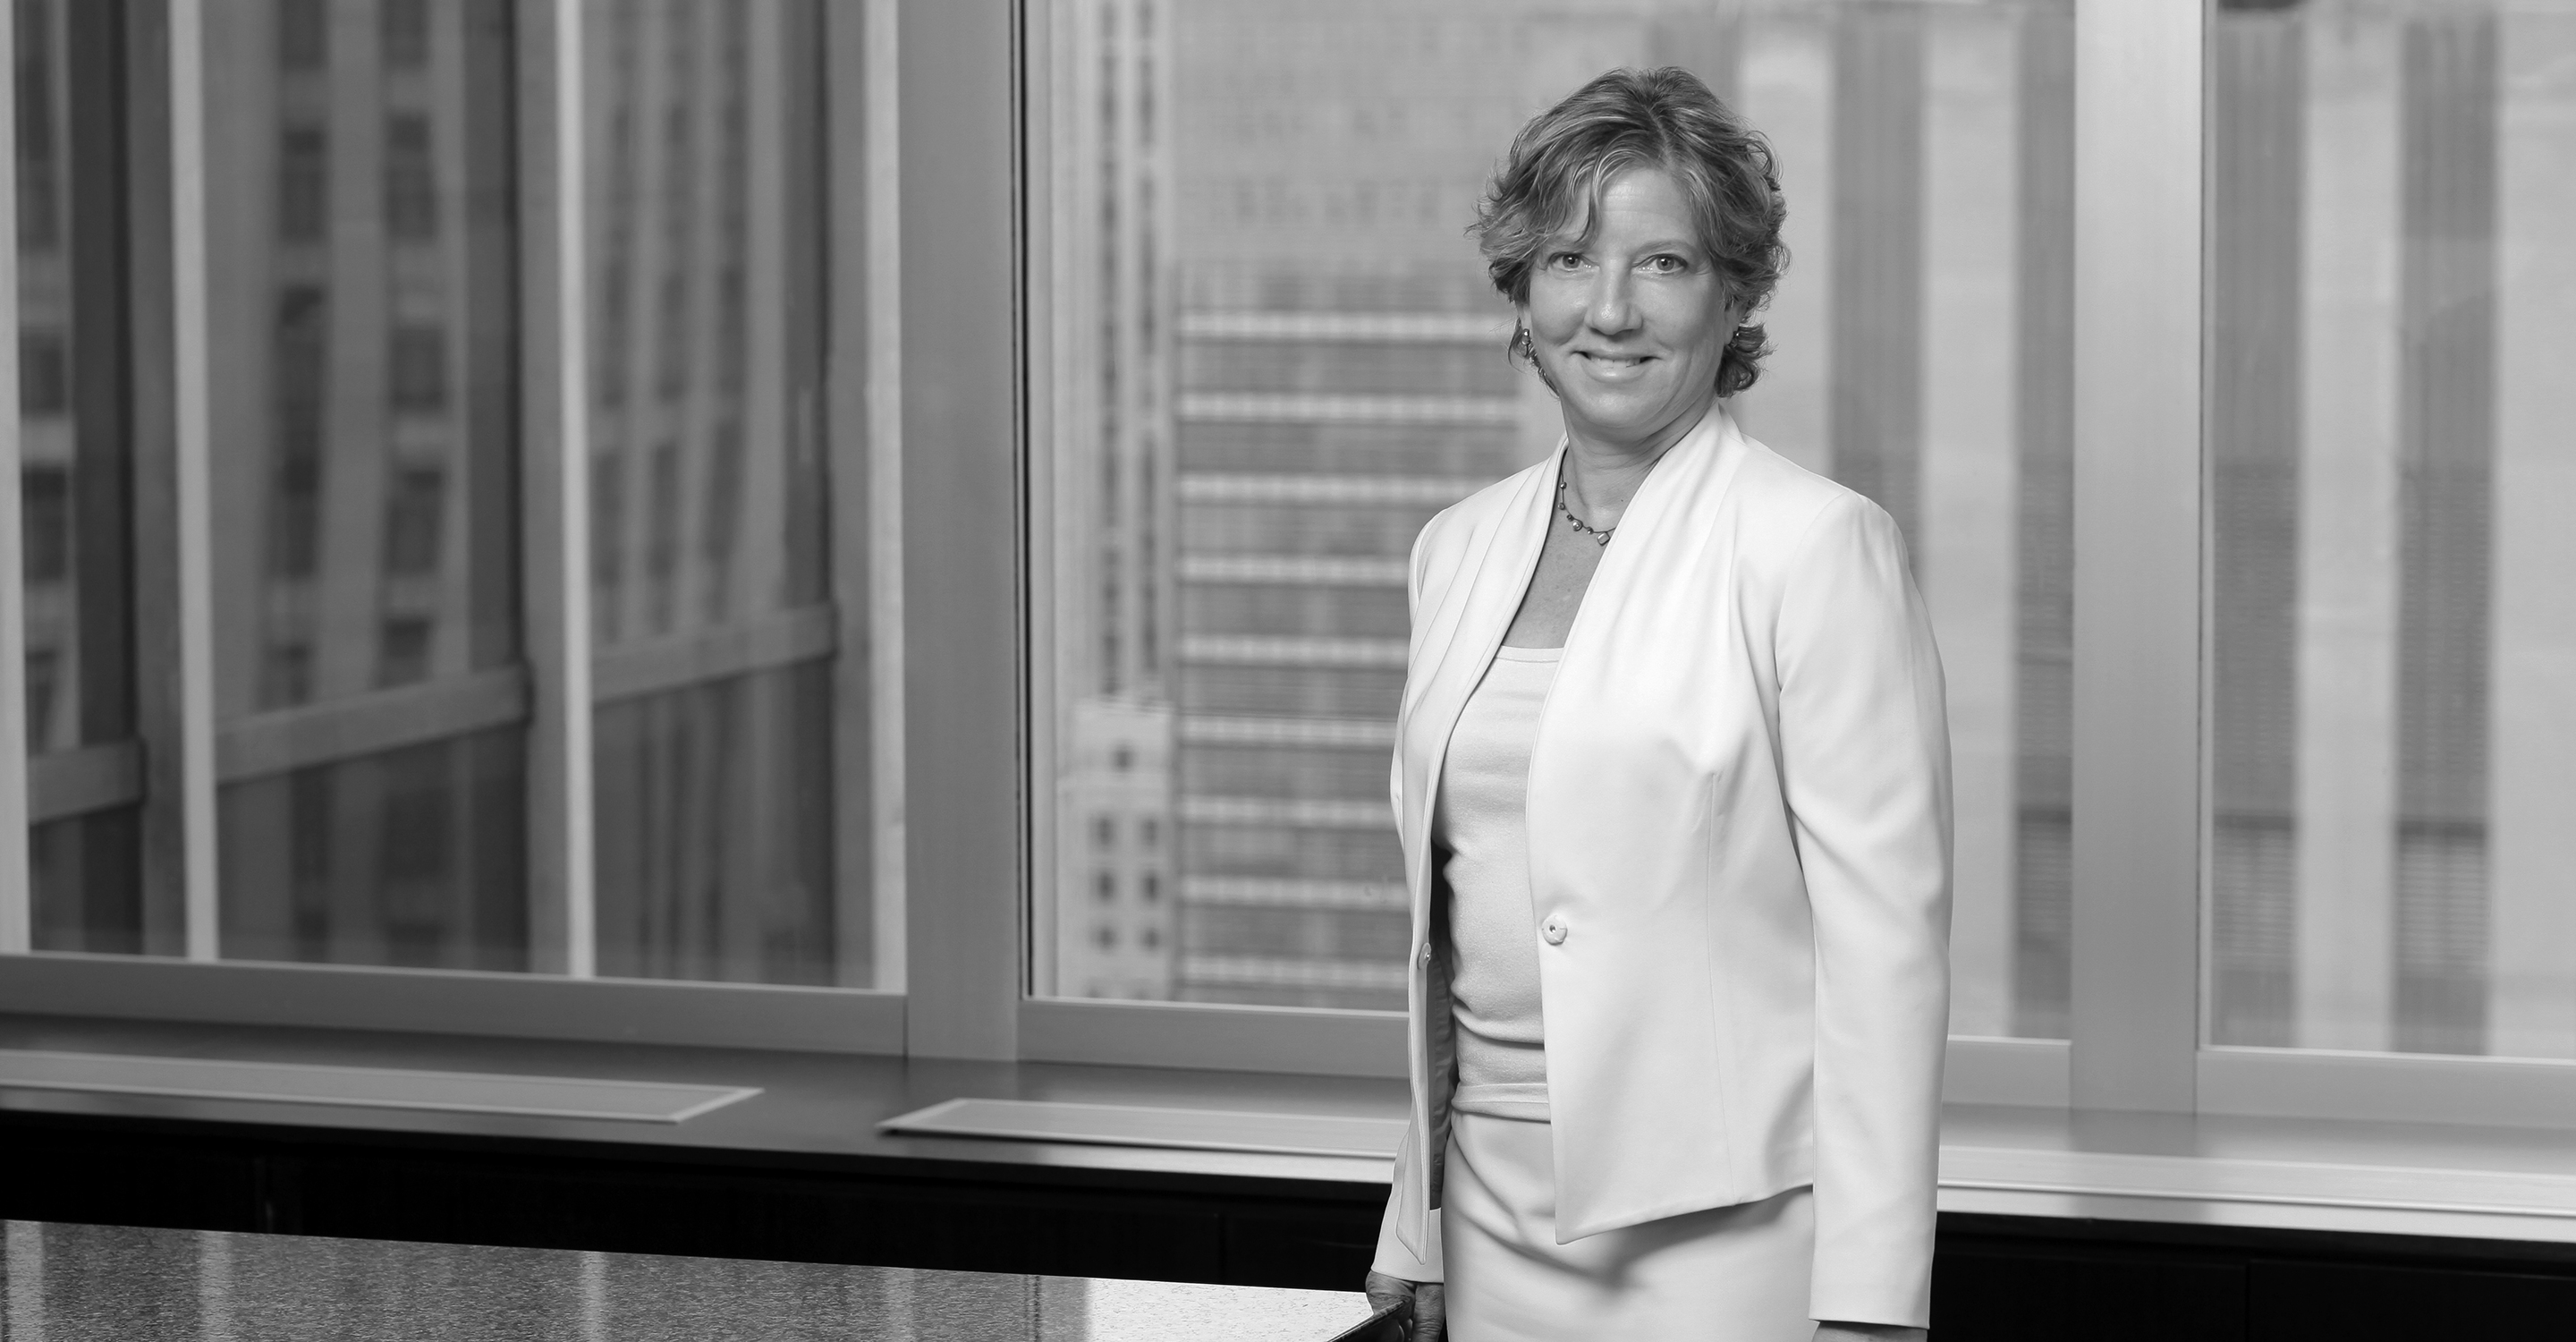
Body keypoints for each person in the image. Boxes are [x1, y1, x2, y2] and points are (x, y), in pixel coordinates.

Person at [1360, 67, 1950, 1342]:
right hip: (1490, 1217)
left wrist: (1870, 1302)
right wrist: (1417, 1215)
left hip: (1727, 1234)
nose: (1612, 309)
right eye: (1570, 259)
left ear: (1734, 292)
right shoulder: (1456, 549)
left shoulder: (1814, 547)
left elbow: (1884, 961)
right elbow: (1450, 934)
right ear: (1523, 290)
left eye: (1664, 263)